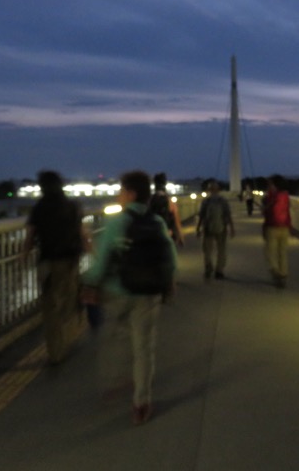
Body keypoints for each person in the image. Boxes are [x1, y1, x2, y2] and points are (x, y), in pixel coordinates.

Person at [82, 170, 177, 425]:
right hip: (149, 294)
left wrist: (90, 284)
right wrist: (168, 283)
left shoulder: (117, 222)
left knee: (115, 337)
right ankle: (141, 402)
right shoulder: (156, 222)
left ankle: (117, 381)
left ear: (131, 194)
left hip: (119, 291)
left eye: (121, 190)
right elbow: (170, 257)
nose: (118, 195)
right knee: (144, 347)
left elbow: (102, 261)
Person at [21, 170, 86, 364]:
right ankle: (67, 337)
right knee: (69, 300)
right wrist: (91, 250)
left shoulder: (39, 208)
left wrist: (23, 256)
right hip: (69, 261)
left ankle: (54, 351)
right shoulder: (72, 206)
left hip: (47, 261)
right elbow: (81, 232)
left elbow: (30, 235)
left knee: (49, 306)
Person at [195, 179, 235, 279]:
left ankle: (208, 268)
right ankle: (219, 271)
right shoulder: (223, 201)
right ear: (218, 190)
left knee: (207, 250)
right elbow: (228, 215)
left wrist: (198, 228)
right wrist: (232, 228)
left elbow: (201, 215)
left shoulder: (206, 201)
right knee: (221, 250)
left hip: (208, 228)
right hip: (221, 227)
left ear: (209, 190)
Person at [263, 174, 291, 289]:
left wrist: (265, 207)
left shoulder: (272, 197)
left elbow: (270, 212)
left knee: (270, 252)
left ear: (274, 185)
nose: (269, 186)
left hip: (272, 227)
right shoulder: (285, 196)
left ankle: (276, 273)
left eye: (270, 184)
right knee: (282, 252)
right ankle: (283, 274)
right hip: (284, 227)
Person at [149, 172, 185, 247]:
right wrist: (180, 236)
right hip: (167, 233)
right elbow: (176, 219)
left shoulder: (150, 200)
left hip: (152, 234)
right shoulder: (168, 201)